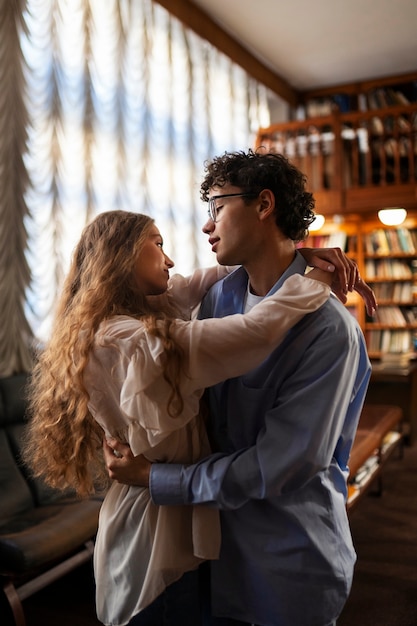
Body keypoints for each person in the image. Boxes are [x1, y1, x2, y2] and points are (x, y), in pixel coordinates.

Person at [23, 209, 364, 626]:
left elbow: (198, 282)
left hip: (175, 524)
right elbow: (257, 331)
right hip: (157, 540)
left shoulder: (131, 316)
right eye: (158, 244)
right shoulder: (129, 340)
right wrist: (318, 278)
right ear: (122, 255)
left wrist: (293, 253)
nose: (169, 260)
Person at [104, 151, 376, 626]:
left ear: (264, 204)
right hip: (206, 553)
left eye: (216, 207)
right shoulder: (215, 299)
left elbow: (280, 464)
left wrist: (155, 479)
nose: (207, 226)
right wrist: (306, 256)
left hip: (284, 561)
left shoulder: (328, 329)